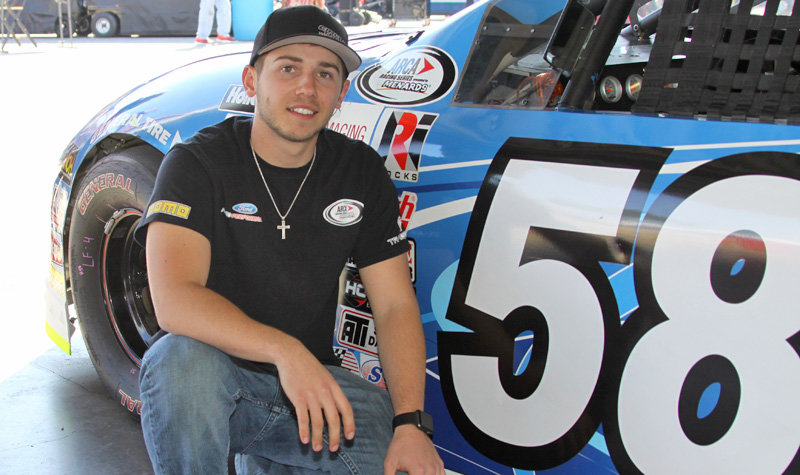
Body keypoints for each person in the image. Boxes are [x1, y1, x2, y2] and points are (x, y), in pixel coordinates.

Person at [135, 5, 444, 474]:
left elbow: (395, 306)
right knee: (178, 364)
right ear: (251, 80)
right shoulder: (197, 162)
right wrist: (285, 351)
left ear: (341, 94)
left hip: (309, 390)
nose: (307, 88)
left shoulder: (359, 170)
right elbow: (174, 300)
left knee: (391, 442)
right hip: (219, 383)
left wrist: (411, 424)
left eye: (325, 74)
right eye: (288, 69)